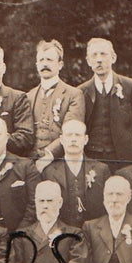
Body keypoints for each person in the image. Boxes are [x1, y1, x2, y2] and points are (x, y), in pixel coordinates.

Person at [77, 38, 132, 169]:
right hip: (91, 158)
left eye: (103, 54)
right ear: (88, 61)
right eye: (94, 55)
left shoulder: (130, 87)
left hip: (123, 159)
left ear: (113, 58)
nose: (99, 59)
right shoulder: (81, 91)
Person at [25, 40, 85, 171]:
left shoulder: (74, 95)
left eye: (49, 60)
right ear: (36, 64)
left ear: (60, 64)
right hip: (30, 164)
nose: (45, 64)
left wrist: (47, 157)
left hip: (59, 162)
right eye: (41, 60)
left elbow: (71, 132)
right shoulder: (28, 96)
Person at [41, 120, 110, 228]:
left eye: (77, 135)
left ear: (86, 139)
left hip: (94, 233)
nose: (73, 139)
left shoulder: (101, 170)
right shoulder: (49, 171)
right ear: (62, 140)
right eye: (69, 135)